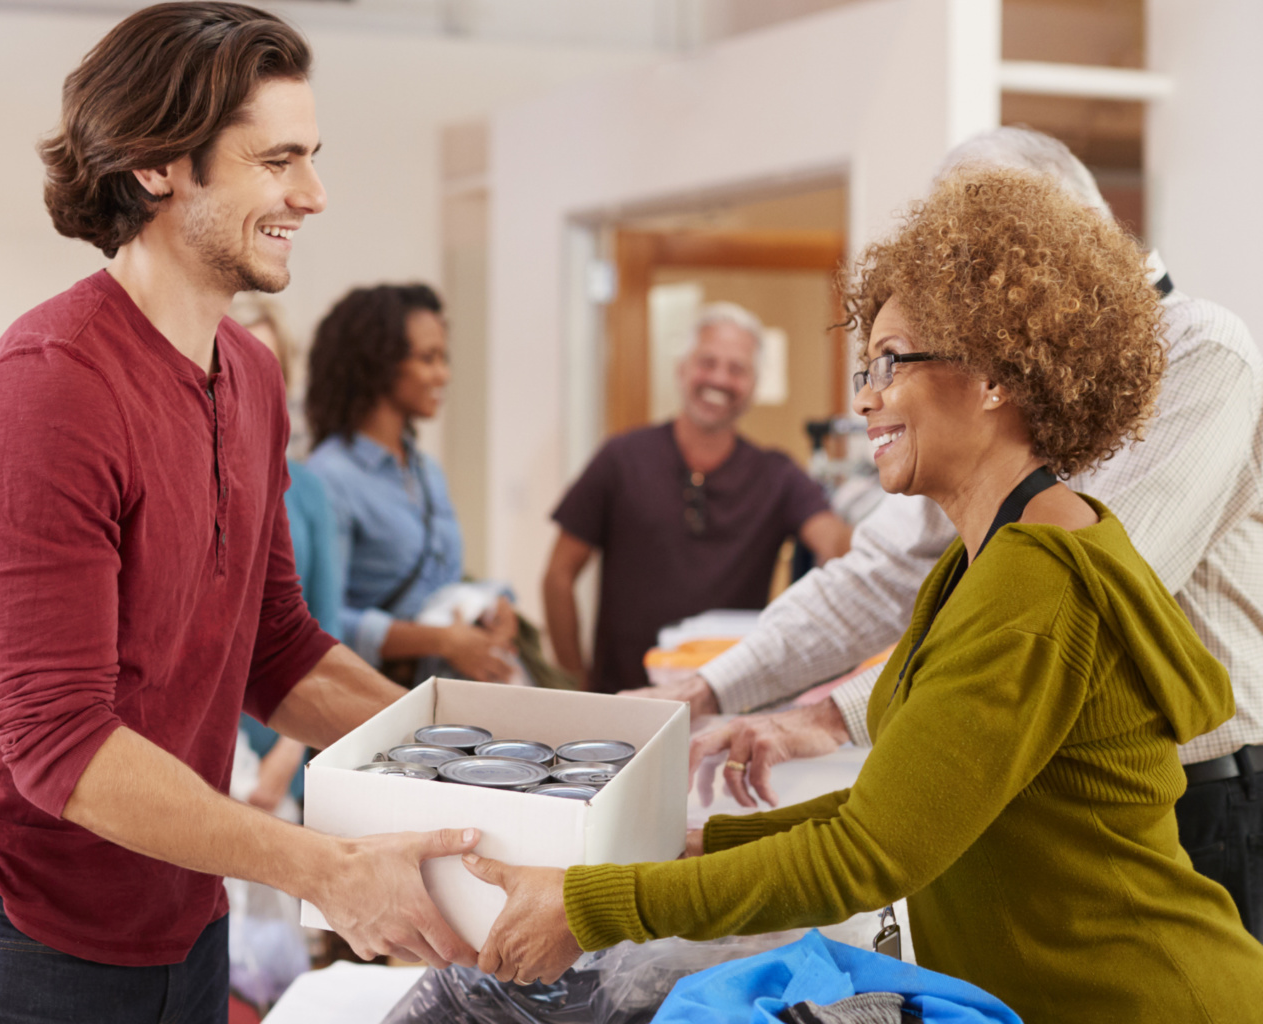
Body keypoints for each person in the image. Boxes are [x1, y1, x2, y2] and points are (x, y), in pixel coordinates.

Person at [465, 168, 1263, 1021]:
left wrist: (594, 907)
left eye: (892, 361)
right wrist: (692, 845)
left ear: (996, 375)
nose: (864, 396)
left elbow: (865, 854)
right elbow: (904, 805)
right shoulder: (984, 562)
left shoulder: (1035, 580)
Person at [0, 8, 480, 1022]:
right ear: (161, 165)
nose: (313, 193)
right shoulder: (48, 392)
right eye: (278, 160)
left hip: (182, 920)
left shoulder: (249, 374)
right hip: (11, 939)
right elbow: (58, 742)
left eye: (313, 157)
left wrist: (479, 755)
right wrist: (325, 868)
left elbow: (277, 648)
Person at [641, 127, 1263, 941]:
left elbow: (1069, 605)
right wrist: (711, 691)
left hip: (1199, 792)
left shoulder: (1200, 350)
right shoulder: (983, 405)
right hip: (1046, 788)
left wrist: (834, 717)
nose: (871, 398)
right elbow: (884, 570)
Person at [544, 302, 851, 694]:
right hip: (623, 701)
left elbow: (835, 543)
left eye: (737, 369)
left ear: (754, 386)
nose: (720, 379)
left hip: (731, 704)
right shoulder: (621, 459)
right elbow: (558, 575)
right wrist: (574, 684)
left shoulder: (778, 476)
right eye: (708, 362)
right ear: (682, 369)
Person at [305, 283, 519, 685]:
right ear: (378, 363)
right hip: (380, 698)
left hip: (447, 692)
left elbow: (441, 587)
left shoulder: (427, 471)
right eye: (428, 358)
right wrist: (439, 641)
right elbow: (318, 621)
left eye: (444, 357)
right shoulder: (329, 477)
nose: (444, 373)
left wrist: (493, 608)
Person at [228, 292, 338, 813]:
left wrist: (287, 758)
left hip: (281, 746)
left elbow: (319, 635)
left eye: (264, 363)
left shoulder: (309, 492)